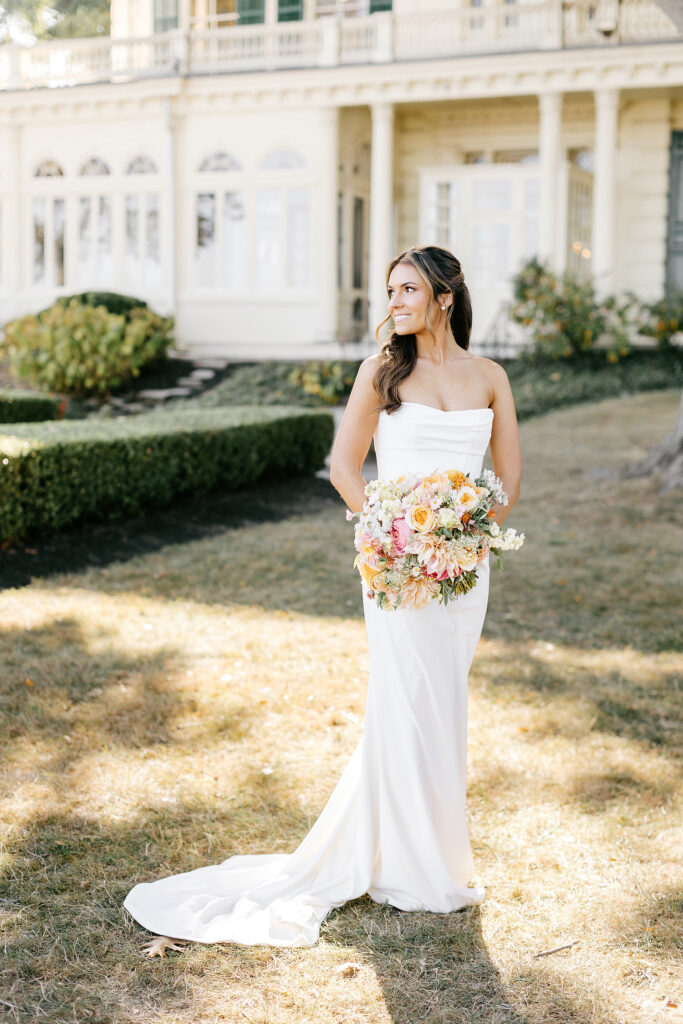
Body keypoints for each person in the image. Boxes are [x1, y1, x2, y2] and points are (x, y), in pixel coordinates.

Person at [122, 243, 522, 949]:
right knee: (401, 699)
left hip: (461, 570)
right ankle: (408, 866)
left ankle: (434, 859)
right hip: (394, 569)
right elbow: (343, 466)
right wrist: (394, 535)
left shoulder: (489, 376)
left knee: (443, 702)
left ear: (444, 299)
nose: (394, 302)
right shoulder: (380, 372)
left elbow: (507, 481)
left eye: (407, 290)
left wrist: (462, 536)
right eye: (390, 290)